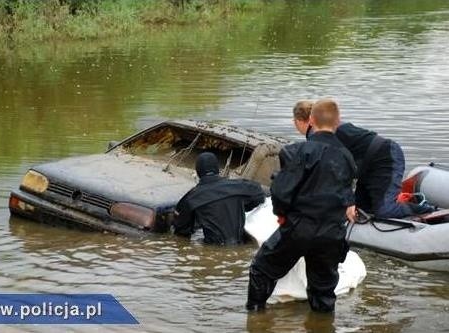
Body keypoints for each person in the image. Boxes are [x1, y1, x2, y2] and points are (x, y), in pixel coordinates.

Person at [246, 99, 356, 313]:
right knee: (323, 290)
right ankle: (322, 324)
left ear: (312, 120)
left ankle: (256, 318)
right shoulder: (347, 156)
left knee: (261, 270)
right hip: (332, 233)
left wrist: (281, 214)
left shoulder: (300, 151)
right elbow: (347, 192)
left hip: (300, 227)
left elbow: (281, 190)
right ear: (338, 121)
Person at [292, 100, 434, 218]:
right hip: (367, 167)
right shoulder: (323, 130)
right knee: (363, 209)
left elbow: (337, 171)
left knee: (385, 211)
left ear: (300, 121)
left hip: (385, 158)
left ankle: (424, 208)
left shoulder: (319, 136)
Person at [173, 152, 265, 245]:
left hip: (212, 248)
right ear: (218, 169)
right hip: (240, 245)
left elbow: (181, 231)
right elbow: (260, 196)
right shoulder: (239, 186)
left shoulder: (191, 197)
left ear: (198, 172)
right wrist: (240, 207)